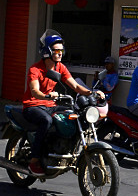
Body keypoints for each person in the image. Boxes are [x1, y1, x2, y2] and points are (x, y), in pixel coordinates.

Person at [23, 32, 101, 176]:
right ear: (48, 52)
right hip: (33, 105)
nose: (60, 54)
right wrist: (47, 95)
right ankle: (34, 161)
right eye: (56, 51)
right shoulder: (35, 69)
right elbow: (34, 91)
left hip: (50, 105)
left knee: (74, 115)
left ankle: (68, 150)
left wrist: (92, 92)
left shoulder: (60, 68)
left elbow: (76, 87)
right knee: (46, 121)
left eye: (61, 51)